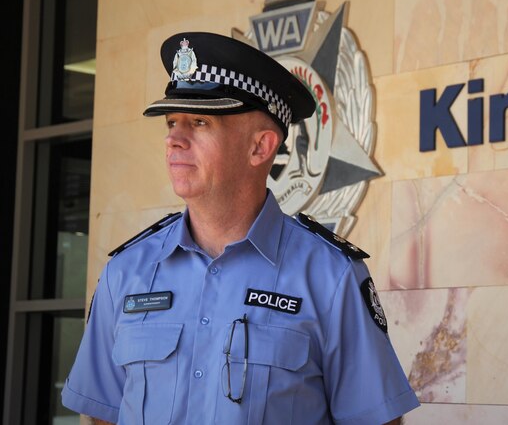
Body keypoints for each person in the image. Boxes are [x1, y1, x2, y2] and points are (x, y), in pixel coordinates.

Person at [61, 32, 419, 424]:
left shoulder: (330, 277)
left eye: (199, 122)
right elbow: (102, 414)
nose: (174, 140)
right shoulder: (126, 273)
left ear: (260, 147)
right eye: (171, 122)